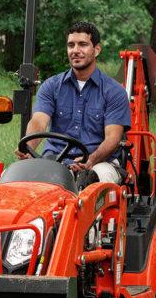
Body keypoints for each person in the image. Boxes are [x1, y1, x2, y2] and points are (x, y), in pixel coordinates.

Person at [16, 21, 131, 185]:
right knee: (15, 179)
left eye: (83, 44)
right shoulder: (52, 86)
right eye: (71, 45)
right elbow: (38, 121)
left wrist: (91, 160)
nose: (75, 50)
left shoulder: (114, 92)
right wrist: (28, 147)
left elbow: (113, 137)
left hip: (99, 163)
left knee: (93, 180)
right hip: (54, 159)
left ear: (96, 50)